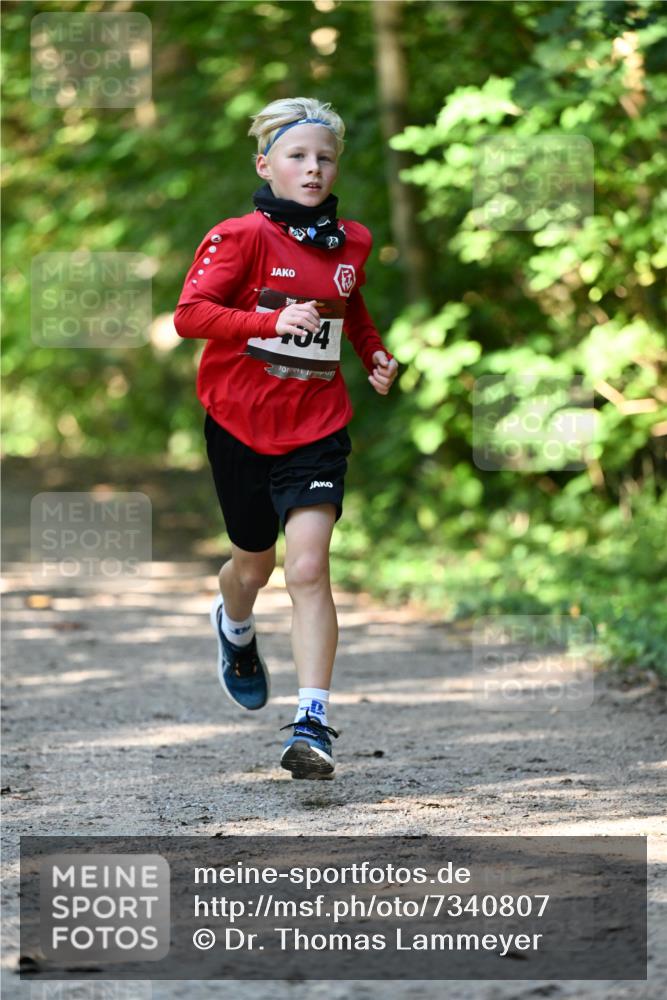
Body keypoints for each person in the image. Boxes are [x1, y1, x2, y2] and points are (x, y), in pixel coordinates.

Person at [174, 96, 398, 780]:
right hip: (239, 422)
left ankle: (312, 722)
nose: (312, 169)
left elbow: (347, 300)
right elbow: (190, 316)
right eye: (297, 157)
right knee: (254, 566)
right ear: (265, 164)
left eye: (324, 158)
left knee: (307, 568)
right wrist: (266, 324)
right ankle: (235, 628)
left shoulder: (350, 240)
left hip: (317, 424)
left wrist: (373, 352)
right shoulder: (238, 237)